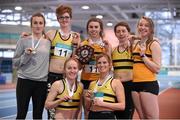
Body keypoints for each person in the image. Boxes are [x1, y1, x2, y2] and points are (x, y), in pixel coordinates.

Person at [13, 12, 50, 119]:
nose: (38, 25)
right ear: (31, 25)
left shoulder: (49, 42)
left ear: (44, 25)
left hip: (41, 83)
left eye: (40, 23)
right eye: (35, 23)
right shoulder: (23, 40)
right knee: (21, 114)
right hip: (24, 81)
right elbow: (15, 63)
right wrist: (26, 55)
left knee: (38, 116)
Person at [79, 17, 111, 117]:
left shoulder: (105, 45)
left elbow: (109, 64)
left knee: (100, 109)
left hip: (101, 82)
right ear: (87, 29)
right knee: (87, 110)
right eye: (91, 27)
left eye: (96, 27)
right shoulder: (83, 44)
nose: (93, 29)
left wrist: (108, 50)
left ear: (100, 29)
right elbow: (79, 67)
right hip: (86, 81)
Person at [131, 16, 162, 119]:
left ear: (151, 29)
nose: (142, 27)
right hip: (134, 84)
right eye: (140, 25)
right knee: (142, 117)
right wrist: (134, 37)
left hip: (148, 84)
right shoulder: (136, 43)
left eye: (146, 25)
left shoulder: (154, 44)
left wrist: (143, 56)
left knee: (151, 117)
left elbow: (157, 69)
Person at [85, 53, 125, 119]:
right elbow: (87, 107)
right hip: (92, 115)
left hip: (106, 115)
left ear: (110, 65)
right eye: (99, 63)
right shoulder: (92, 84)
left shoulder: (116, 82)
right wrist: (88, 100)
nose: (102, 65)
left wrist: (103, 104)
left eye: (104, 62)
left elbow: (122, 106)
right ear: (96, 65)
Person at [112, 22, 134, 119]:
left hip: (130, 85)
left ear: (128, 33)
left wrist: (134, 39)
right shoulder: (113, 50)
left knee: (127, 115)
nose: (121, 33)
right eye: (118, 31)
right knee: (117, 114)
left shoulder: (133, 49)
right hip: (116, 86)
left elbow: (151, 39)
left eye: (123, 31)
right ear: (115, 34)